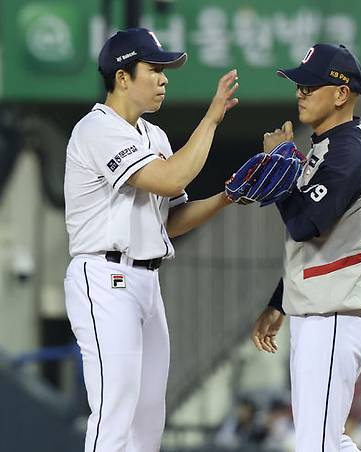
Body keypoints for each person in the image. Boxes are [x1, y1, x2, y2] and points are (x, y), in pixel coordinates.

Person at [64, 27, 238, 451]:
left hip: (146, 282)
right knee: (115, 408)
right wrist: (212, 117)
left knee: (148, 419)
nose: (164, 79)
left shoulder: (154, 136)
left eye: (164, 70)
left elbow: (171, 219)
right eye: (154, 69)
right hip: (104, 278)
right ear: (123, 77)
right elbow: (170, 178)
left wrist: (229, 195)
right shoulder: (96, 128)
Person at [250, 43, 361, 452]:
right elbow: (314, 244)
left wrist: (277, 167)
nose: (301, 93)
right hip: (324, 310)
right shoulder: (328, 147)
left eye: (311, 85)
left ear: (341, 94)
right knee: (326, 441)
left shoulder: (347, 152)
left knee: (317, 444)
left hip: (336, 314)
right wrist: (279, 302)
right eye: (299, 85)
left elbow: (303, 224)